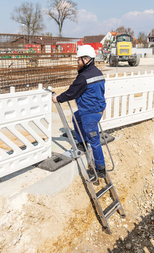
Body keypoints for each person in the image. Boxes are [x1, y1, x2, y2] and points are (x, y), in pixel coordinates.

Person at [52, 45, 106, 178]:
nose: (77, 62)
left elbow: (72, 92)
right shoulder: (97, 72)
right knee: (76, 117)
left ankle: (100, 170)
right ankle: (82, 143)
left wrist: (57, 98)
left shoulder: (84, 77)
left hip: (90, 114)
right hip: (96, 109)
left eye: (78, 60)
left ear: (86, 59)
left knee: (95, 141)